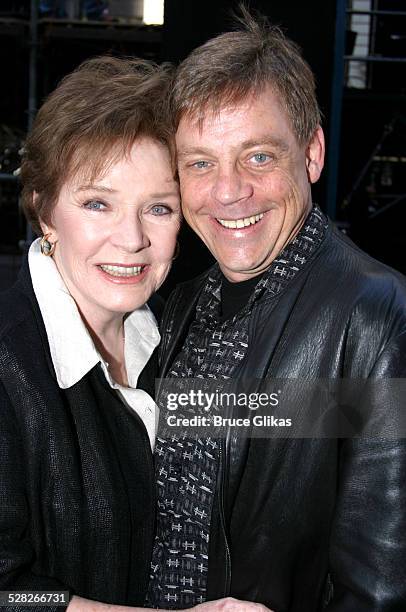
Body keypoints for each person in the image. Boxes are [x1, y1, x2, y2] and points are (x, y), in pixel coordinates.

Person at [147, 10, 406, 612]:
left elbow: (383, 586)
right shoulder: (178, 307)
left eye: (259, 156)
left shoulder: (377, 318)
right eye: (201, 163)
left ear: (311, 154)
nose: (229, 191)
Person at [0, 56, 183, 611]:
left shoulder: (177, 338)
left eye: (158, 207)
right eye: (97, 203)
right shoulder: (8, 365)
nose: (131, 239)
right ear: (44, 210)